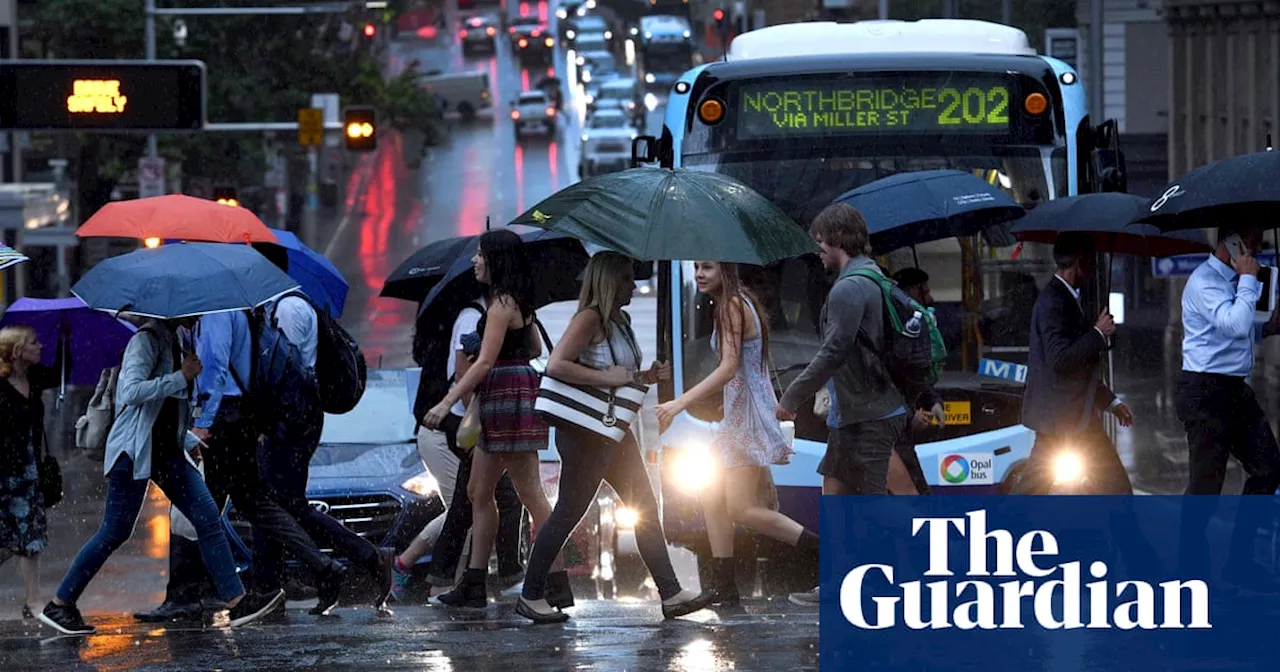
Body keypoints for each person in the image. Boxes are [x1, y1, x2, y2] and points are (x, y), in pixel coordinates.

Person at [36, 319, 272, 635]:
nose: (199, 317)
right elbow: (131, 392)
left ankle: (237, 600)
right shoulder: (145, 341)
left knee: (207, 520)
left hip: (168, 454)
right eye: (194, 311)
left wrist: (189, 439)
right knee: (114, 531)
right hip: (134, 452)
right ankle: (60, 604)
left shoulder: (179, 340)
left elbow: (168, 411)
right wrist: (180, 377)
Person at [520, 252, 710, 623]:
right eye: (625, 280)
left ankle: (670, 593)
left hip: (613, 431)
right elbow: (558, 365)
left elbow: (618, 373)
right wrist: (611, 378)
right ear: (608, 282)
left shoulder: (618, 320)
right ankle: (531, 594)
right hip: (585, 434)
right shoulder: (588, 318)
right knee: (568, 513)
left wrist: (646, 376)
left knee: (644, 506)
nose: (632, 287)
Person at [655, 260, 818, 609]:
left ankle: (824, 550)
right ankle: (724, 584)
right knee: (711, 494)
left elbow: (729, 368)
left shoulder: (731, 306)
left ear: (726, 272)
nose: (700, 274)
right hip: (739, 414)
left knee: (741, 509)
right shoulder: (736, 302)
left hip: (746, 417)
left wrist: (679, 403)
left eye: (708, 268)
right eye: (697, 267)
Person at [775, 203, 909, 606]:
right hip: (852, 414)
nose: (817, 249)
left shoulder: (851, 288)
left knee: (872, 506)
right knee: (834, 496)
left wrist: (791, 397)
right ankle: (835, 582)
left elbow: (833, 352)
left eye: (820, 241)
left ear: (836, 239)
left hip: (869, 413)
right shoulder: (871, 278)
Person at [423, 229, 560, 610]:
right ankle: (475, 583)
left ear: (496, 260)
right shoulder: (515, 301)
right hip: (508, 396)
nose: (474, 261)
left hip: (505, 398)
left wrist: (446, 400)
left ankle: (552, 579)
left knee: (529, 493)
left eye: (480, 255)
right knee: (478, 493)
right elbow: (533, 347)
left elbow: (483, 361)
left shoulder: (500, 304)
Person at [191, 310, 347, 620]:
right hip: (240, 416)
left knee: (204, 507)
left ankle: (212, 590)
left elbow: (216, 369)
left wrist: (202, 423)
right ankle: (323, 566)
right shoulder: (240, 310)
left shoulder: (218, 313)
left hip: (225, 419)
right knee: (253, 503)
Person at [253, 286, 394, 610]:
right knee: (276, 503)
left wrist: (267, 417)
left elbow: (285, 371)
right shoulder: (283, 307)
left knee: (281, 504)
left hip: (293, 417)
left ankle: (361, 560)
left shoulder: (288, 310)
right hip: (292, 415)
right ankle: (279, 583)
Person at [394, 299, 525, 602]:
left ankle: (458, 580)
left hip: (462, 430)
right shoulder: (470, 317)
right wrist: (474, 428)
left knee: (482, 501)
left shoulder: (483, 314)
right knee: (468, 505)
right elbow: (467, 374)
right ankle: (426, 574)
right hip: (453, 433)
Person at [1176, 225, 1280, 581]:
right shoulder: (1204, 281)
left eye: (1258, 242)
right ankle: (1189, 571)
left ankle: (1240, 562)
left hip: (1234, 390)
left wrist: (1268, 328)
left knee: (1268, 467)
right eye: (1250, 242)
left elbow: (1235, 332)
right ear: (1230, 243)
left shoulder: (1235, 281)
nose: (1256, 249)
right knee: (1205, 487)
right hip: (1205, 392)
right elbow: (1234, 325)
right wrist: (1249, 280)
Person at [1018, 233, 1133, 495]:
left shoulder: (1065, 298)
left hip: (1072, 417)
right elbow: (1060, 361)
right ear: (1079, 261)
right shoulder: (1053, 302)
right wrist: (1097, 333)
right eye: (1091, 260)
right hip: (1061, 418)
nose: (1094, 267)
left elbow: (1080, 369)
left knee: (1115, 487)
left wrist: (1111, 403)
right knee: (1032, 489)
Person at [0, 325, 61, 622]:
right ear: (18, 350)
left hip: (29, 470)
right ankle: (33, 600)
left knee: (30, 538)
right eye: (34, 343)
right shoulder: (0, 385)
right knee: (13, 540)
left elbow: (61, 370)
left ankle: (33, 600)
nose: (41, 347)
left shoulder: (35, 378)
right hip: (4, 473)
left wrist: (65, 336)